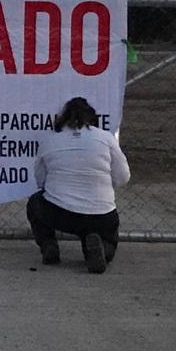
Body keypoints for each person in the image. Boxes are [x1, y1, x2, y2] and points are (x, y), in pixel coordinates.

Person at [26, 97, 130, 274]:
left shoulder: (50, 140)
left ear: (63, 118)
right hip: (101, 214)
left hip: (60, 213)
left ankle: (49, 245)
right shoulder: (106, 138)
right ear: (92, 117)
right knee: (105, 233)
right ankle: (102, 249)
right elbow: (123, 177)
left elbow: (40, 180)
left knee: (35, 202)